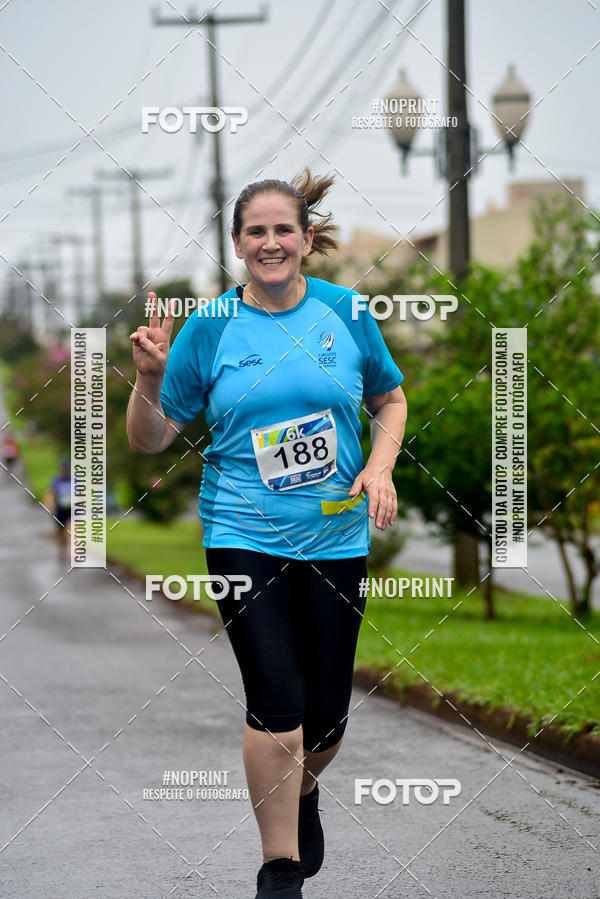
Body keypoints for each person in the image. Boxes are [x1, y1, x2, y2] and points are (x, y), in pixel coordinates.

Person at [126, 170, 407, 898]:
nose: (271, 241)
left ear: (307, 240)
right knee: (275, 700)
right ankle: (278, 867)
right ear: (237, 244)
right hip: (241, 533)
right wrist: (149, 381)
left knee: (326, 716)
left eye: (285, 229)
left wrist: (379, 467)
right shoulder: (211, 326)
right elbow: (152, 440)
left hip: (335, 536)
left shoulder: (346, 312)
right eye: (257, 231)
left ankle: (303, 790)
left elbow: (390, 397)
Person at [47, 459, 72, 563]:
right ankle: (63, 550)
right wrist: (50, 504)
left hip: (71, 509)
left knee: (70, 529)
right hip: (60, 509)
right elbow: (52, 493)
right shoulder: (56, 480)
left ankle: (71, 551)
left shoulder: (74, 480)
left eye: (66, 470)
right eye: (63, 469)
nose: (64, 471)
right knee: (60, 531)